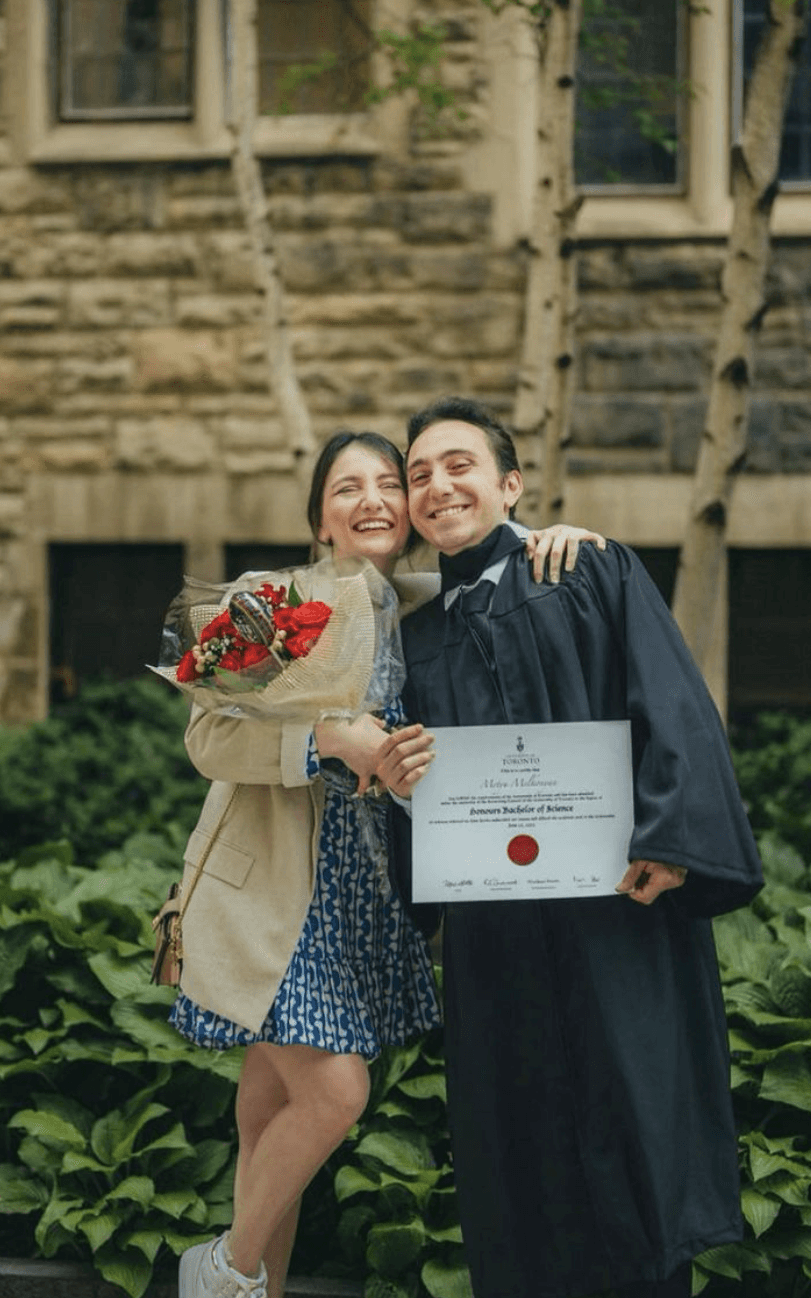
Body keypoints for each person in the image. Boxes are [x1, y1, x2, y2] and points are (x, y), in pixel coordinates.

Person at [170, 428, 604, 1298]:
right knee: (334, 1097)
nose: (371, 500)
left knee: (267, 1127)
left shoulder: (419, 606)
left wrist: (557, 538)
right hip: (276, 897)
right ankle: (221, 1273)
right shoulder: (270, 599)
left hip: (363, 900)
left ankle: (259, 1288)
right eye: (346, 488)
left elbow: (491, 549)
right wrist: (330, 736)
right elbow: (209, 735)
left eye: (385, 485)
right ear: (320, 518)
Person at [376, 396, 764, 1298]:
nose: (438, 485)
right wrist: (403, 789)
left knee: (629, 1134)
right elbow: (425, 800)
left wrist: (672, 844)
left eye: (459, 464)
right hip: (497, 941)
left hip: (615, 912)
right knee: (520, 1154)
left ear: (510, 484)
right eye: (419, 474)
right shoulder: (417, 639)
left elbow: (671, 702)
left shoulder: (587, 572)